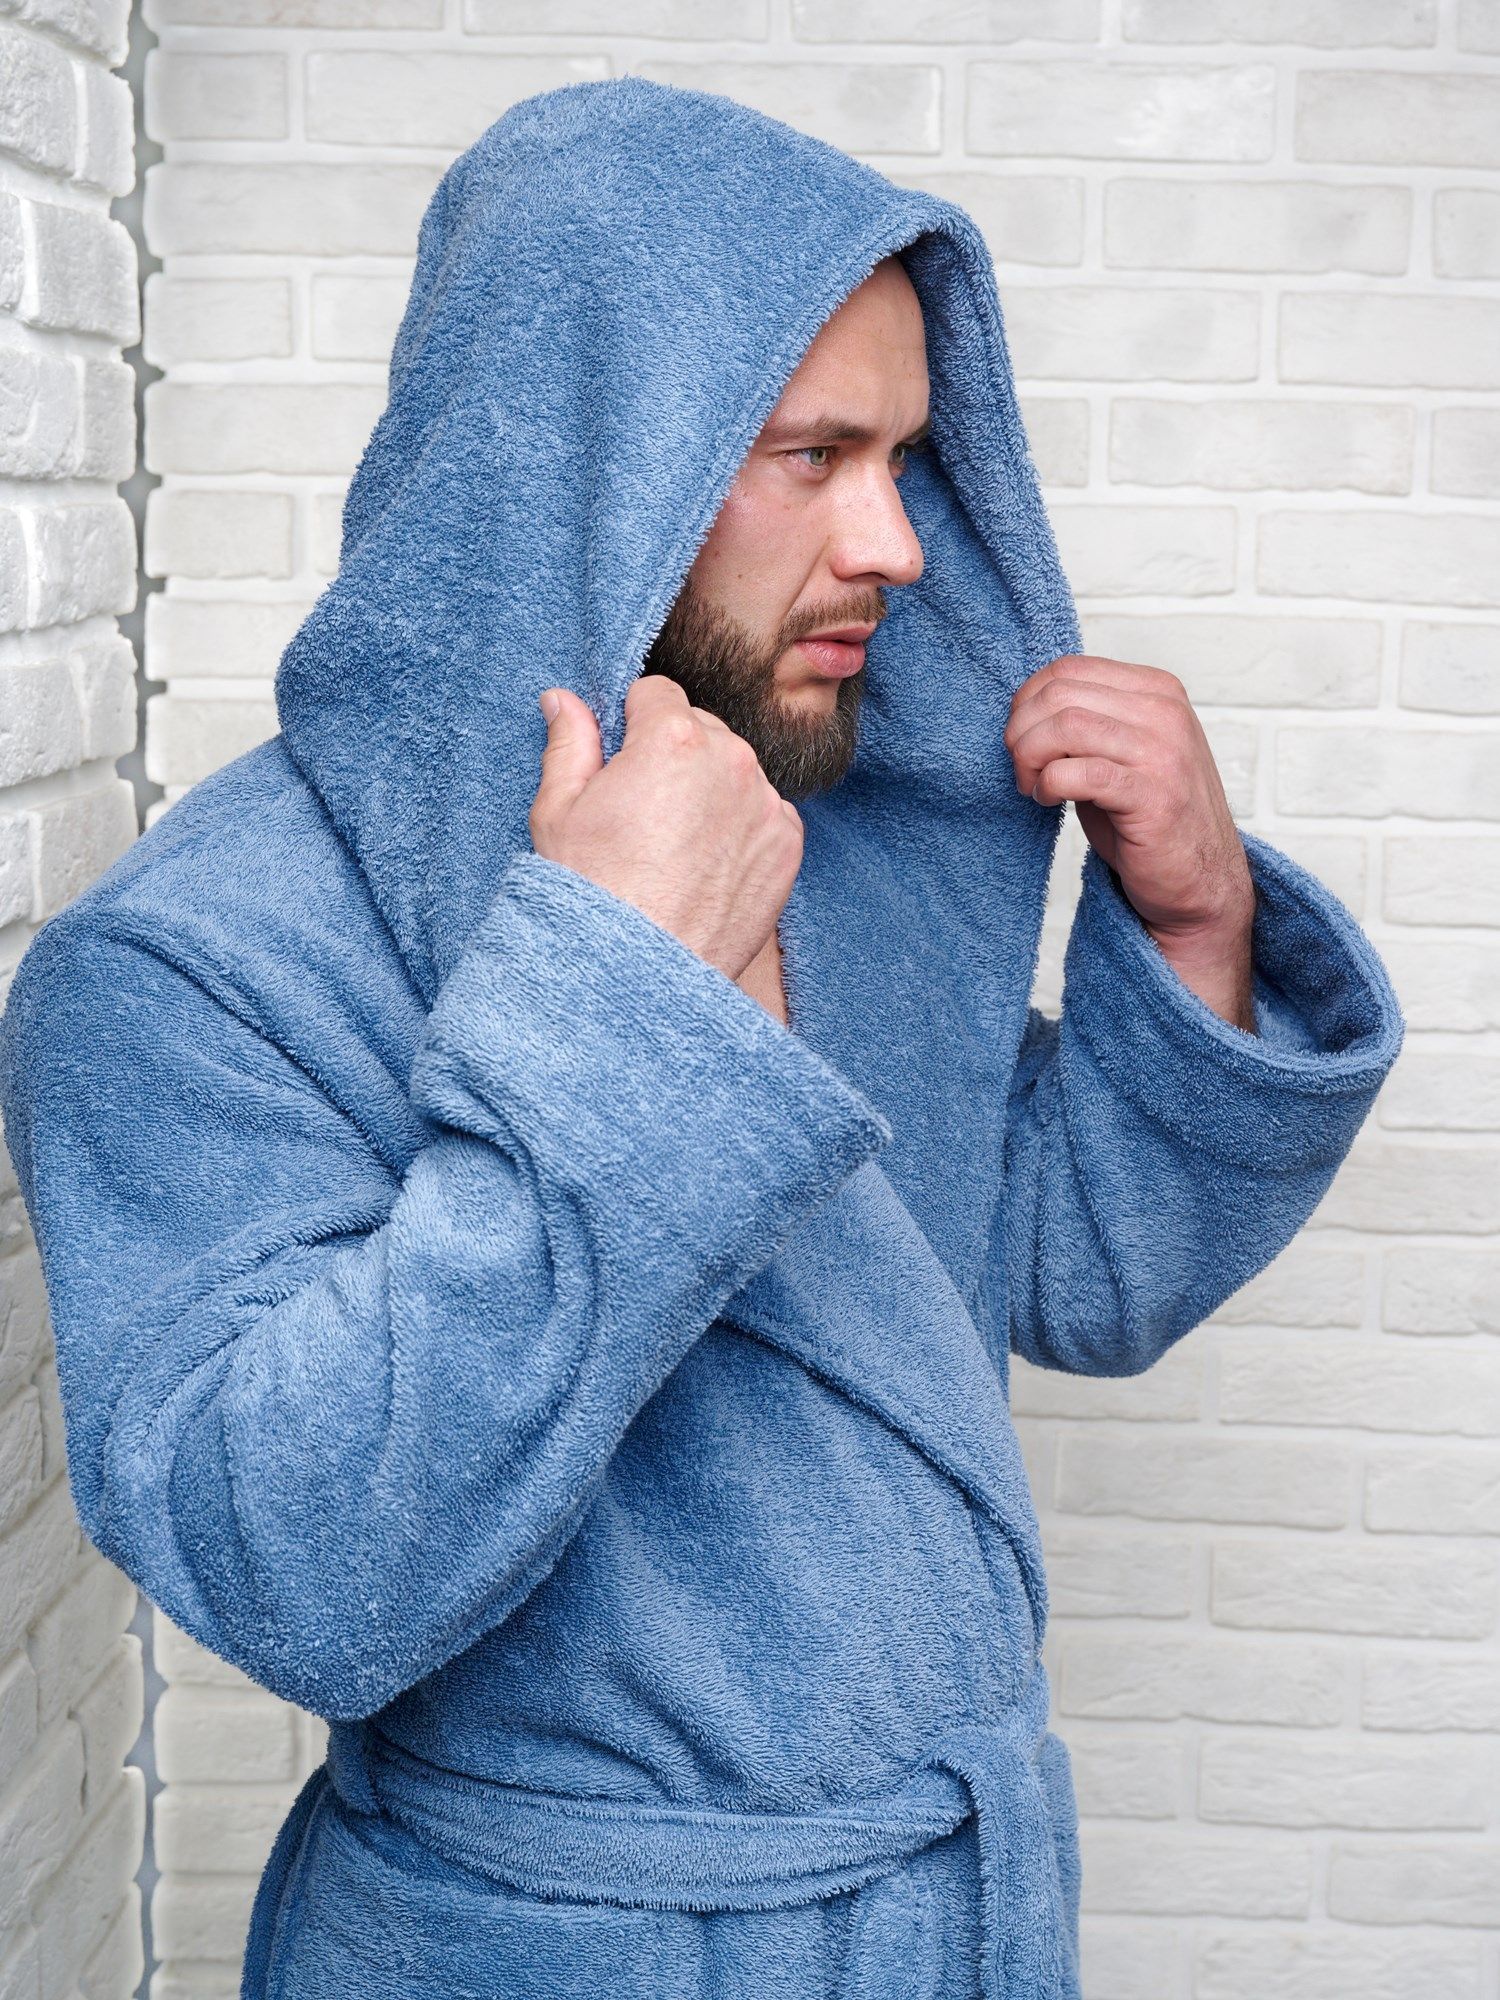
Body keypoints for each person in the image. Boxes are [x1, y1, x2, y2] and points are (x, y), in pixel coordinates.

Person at [0, 77, 1404, 1999]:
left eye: (907, 458)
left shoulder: (824, 853)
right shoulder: (195, 960)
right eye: (815, 456)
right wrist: (618, 1002)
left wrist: (1197, 931)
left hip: (938, 1922)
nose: (898, 543)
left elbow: (1068, 1275)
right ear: (590, 461)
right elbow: (294, 1575)